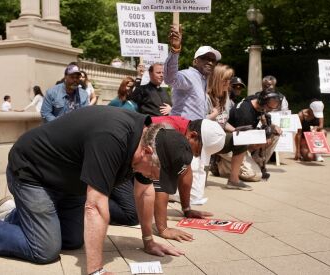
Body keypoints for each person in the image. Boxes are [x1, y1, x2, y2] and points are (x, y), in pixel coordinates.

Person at [0, 106, 193, 274]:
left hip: (68, 182)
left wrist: (148, 241)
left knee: (74, 240)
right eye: (157, 174)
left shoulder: (147, 138)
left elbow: (144, 192)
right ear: (149, 152)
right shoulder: (112, 137)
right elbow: (95, 206)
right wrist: (95, 271)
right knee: (44, 249)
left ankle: (13, 214)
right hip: (33, 172)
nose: (154, 179)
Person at [110, 117, 238, 242]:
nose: (195, 155)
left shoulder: (184, 135)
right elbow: (160, 182)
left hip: (137, 165)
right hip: (120, 160)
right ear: (193, 136)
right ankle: (95, 195)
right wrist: (163, 228)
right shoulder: (168, 130)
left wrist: (187, 209)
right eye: (197, 151)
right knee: (132, 215)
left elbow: (186, 171)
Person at [165, 24, 221, 205]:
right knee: (191, 166)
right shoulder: (189, 75)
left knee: (196, 167)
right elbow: (171, 78)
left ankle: (188, 197)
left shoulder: (203, 80)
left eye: (213, 60)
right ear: (195, 60)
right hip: (183, 128)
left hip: (195, 128)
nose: (210, 62)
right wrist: (174, 50)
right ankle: (186, 198)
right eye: (205, 58)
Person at [227, 88, 284, 187]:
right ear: (262, 102)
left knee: (274, 133)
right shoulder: (245, 113)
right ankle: (223, 166)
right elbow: (242, 144)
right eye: (269, 107)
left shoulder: (255, 100)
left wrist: (272, 127)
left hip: (243, 138)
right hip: (232, 145)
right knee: (255, 175)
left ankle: (255, 163)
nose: (270, 110)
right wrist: (258, 144)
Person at [206, 64, 235, 131]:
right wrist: (213, 115)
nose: (228, 83)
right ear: (216, 80)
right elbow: (198, 122)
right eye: (225, 80)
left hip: (219, 135)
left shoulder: (225, 96)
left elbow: (223, 123)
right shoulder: (206, 98)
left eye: (229, 79)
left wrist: (235, 130)